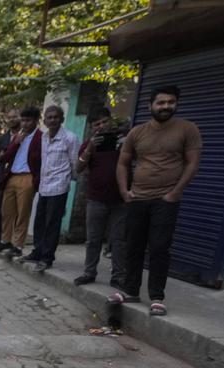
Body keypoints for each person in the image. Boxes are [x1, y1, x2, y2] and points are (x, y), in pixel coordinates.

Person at [114, 85, 203, 315]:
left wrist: (175, 193)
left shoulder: (187, 129)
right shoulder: (137, 132)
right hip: (137, 198)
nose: (165, 107)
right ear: (150, 106)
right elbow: (123, 162)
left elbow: (192, 163)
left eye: (170, 102)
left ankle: (157, 296)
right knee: (133, 245)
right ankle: (130, 289)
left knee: (159, 247)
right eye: (160, 103)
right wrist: (125, 191)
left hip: (165, 199)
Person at [74, 106, 128, 287]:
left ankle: (118, 276)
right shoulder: (89, 144)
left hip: (120, 200)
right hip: (96, 199)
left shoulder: (122, 141)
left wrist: (124, 143)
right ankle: (89, 272)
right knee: (93, 239)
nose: (102, 126)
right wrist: (90, 147)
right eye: (97, 124)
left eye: (105, 122)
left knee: (119, 240)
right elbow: (79, 168)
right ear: (91, 127)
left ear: (110, 121)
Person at [23, 105, 80, 273]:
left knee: (52, 224)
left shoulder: (70, 138)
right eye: (49, 117)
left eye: (56, 117)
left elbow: (75, 164)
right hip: (44, 186)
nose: (53, 120)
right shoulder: (43, 138)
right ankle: (38, 251)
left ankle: (47, 258)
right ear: (45, 120)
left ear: (61, 119)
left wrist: (67, 180)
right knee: (39, 222)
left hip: (59, 187)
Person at [0, 106, 43, 259]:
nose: (25, 124)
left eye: (29, 121)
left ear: (36, 121)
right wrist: (16, 143)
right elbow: (5, 156)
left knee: (22, 213)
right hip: (11, 176)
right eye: (24, 120)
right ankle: (5, 240)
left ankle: (18, 245)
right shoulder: (18, 136)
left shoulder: (41, 137)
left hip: (28, 177)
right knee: (7, 212)